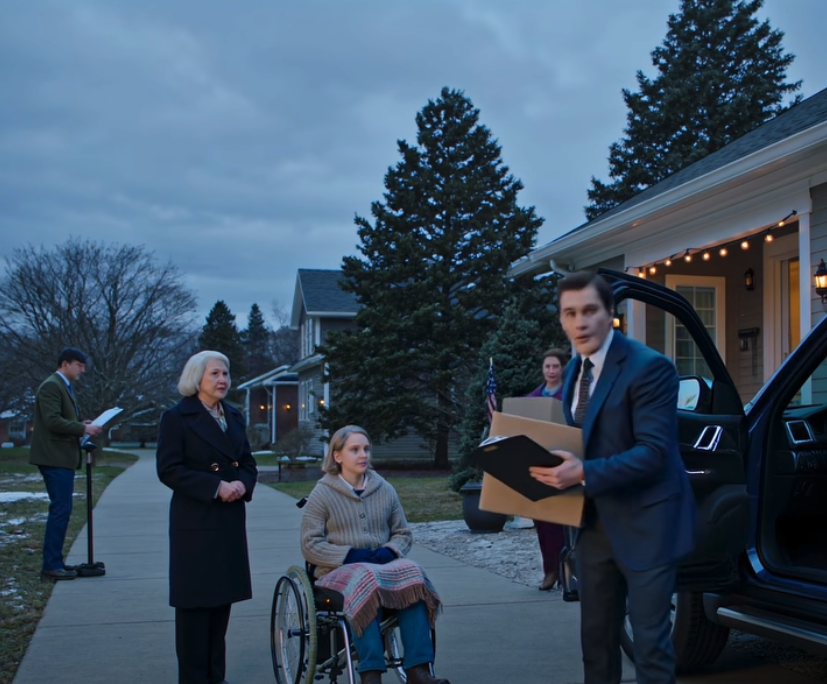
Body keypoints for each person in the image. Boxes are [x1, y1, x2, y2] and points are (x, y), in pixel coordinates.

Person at [528, 271, 695, 684]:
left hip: (648, 525)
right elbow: (588, 437)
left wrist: (582, 470)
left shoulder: (650, 367)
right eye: (570, 313)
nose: (580, 322)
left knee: (650, 649)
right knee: (596, 646)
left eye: (589, 311)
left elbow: (653, 453)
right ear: (562, 320)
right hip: (593, 525)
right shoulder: (572, 370)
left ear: (610, 315)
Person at [301, 425, 449, 684]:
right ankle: (370, 673)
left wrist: (388, 551)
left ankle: (418, 669)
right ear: (338, 456)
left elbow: (403, 532)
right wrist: (349, 555)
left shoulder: (384, 488)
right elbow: (310, 544)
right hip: (337, 571)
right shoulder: (322, 493)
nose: (363, 455)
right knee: (366, 577)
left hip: (381, 566)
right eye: (354, 449)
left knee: (414, 577)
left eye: (366, 449)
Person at [156, 350, 258, 684]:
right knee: (195, 609)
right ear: (196, 377)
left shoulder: (234, 416)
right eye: (215, 373)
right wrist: (215, 486)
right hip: (195, 523)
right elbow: (169, 469)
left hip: (228, 522)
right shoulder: (176, 418)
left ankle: (216, 677)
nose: (222, 380)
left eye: (226, 374)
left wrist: (242, 484)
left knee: (220, 606)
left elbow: (247, 462)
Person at [29, 347, 102, 581]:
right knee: (60, 510)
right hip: (54, 457)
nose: (82, 370)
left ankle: (56, 562)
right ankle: (51, 566)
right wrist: (82, 428)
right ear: (65, 364)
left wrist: (82, 423)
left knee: (63, 509)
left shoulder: (63, 386)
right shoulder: (52, 385)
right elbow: (52, 421)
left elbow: (62, 419)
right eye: (79, 365)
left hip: (61, 457)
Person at [527, 347, 568, 591]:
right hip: (540, 464)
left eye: (555, 366)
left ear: (563, 368)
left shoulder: (571, 396)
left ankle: (568, 570)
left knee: (565, 520)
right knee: (544, 521)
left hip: (566, 463)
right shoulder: (533, 399)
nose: (551, 371)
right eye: (547, 366)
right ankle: (550, 571)